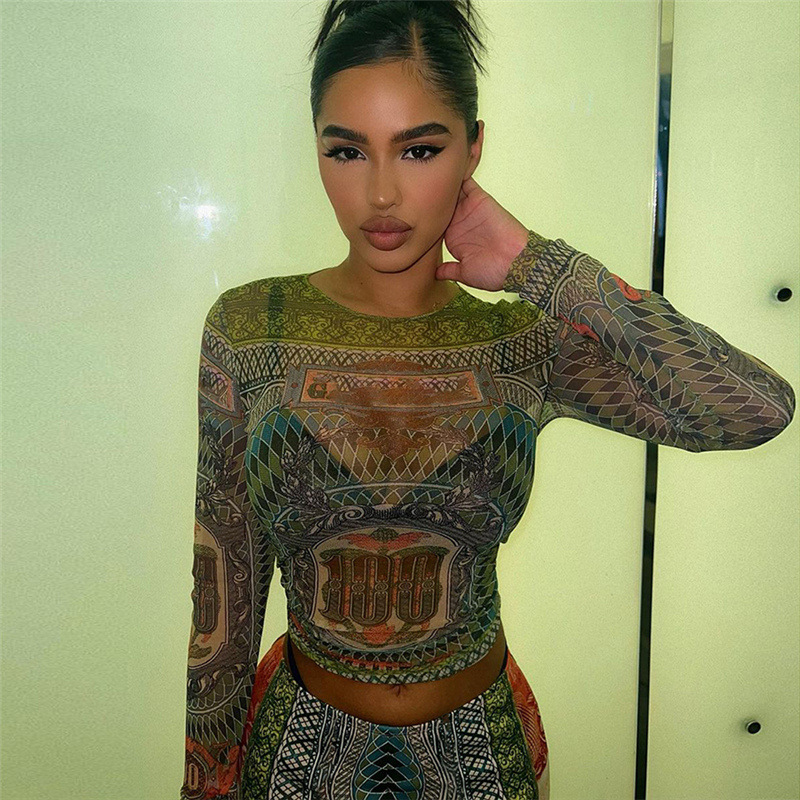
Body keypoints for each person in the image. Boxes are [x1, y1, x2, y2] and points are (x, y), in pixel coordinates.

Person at [180, 1, 796, 798]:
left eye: (420, 149)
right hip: (297, 753)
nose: (381, 193)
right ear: (319, 150)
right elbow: (221, 602)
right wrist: (203, 778)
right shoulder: (249, 328)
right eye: (347, 151)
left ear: (473, 148)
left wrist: (535, 262)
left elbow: (753, 408)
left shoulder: (524, 343)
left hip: (482, 758)